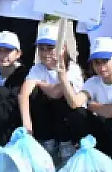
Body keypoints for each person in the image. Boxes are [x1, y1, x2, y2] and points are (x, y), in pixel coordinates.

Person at [62, 37, 112, 163]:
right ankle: (85, 152)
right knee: (77, 114)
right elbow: (75, 103)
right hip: (103, 131)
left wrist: (92, 105)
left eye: (105, 61)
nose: (101, 67)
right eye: (97, 62)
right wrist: (63, 78)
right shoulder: (93, 82)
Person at [18, 23, 84, 164]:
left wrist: (41, 83)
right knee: (34, 95)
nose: (45, 53)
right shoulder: (38, 68)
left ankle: (66, 143)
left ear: (62, 48)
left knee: (61, 99)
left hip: (69, 118)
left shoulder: (72, 68)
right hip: (48, 118)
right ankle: (47, 140)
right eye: (41, 49)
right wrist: (26, 124)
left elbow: (57, 93)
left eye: (50, 48)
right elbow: (23, 93)